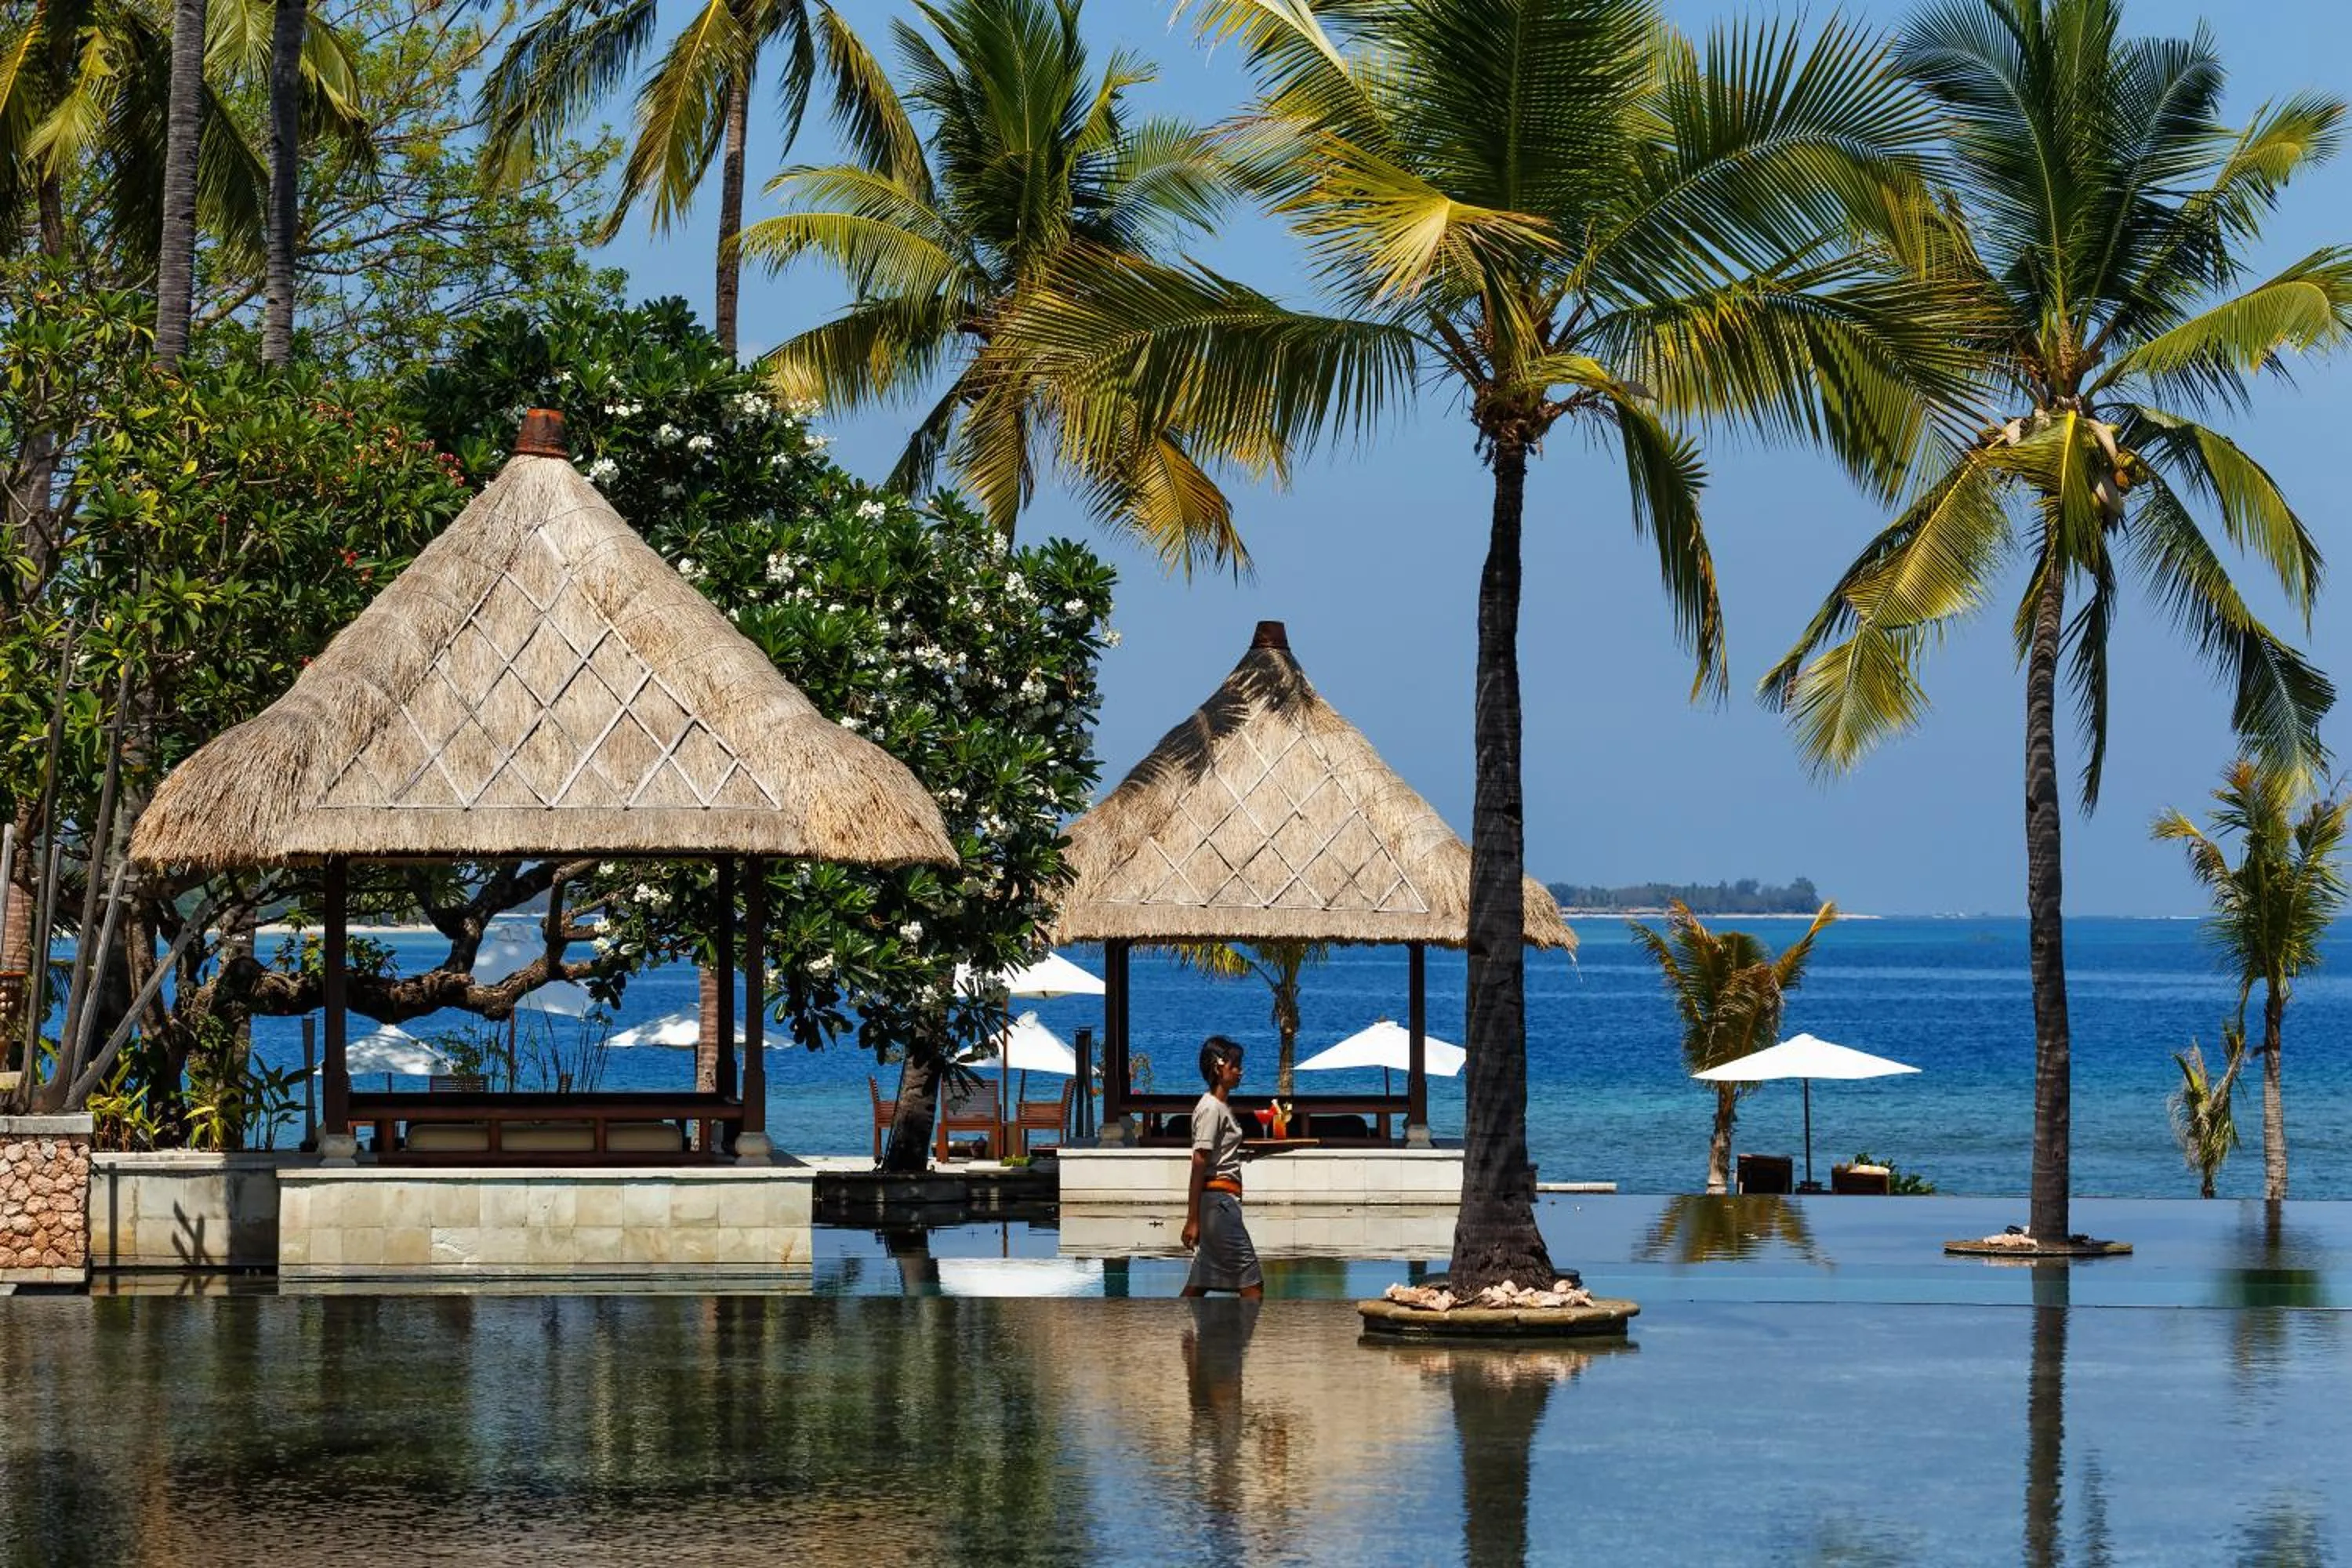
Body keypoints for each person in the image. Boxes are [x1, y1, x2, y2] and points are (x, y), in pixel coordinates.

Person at [1180, 1035, 1263, 1298]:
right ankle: (1247, 1328)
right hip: (1219, 1204)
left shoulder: (1219, 1107)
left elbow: (1218, 1154)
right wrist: (1192, 1219)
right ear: (1218, 1068)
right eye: (1234, 1066)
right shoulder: (1211, 1109)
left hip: (1221, 1202)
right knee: (1252, 1283)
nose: (1240, 1071)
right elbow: (1199, 1162)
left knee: (1199, 1284)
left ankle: (1174, 1324)